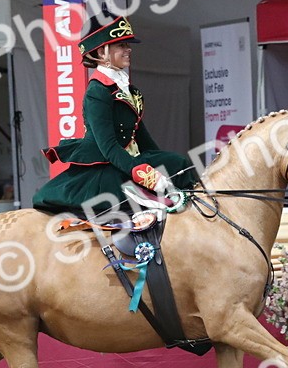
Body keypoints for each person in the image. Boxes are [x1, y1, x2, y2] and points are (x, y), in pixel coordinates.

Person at [33, 14, 199, 216]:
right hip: (105, 164)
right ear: (102, 52)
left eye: (127, 44)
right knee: (125, 196)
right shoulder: (97, 91)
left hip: (127, 158)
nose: (128, 49)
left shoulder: (128, 88)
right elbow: (109, 147)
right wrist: (145, 174)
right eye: (121, 45)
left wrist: (161, 165)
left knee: (178, 163)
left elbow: (141, 137)